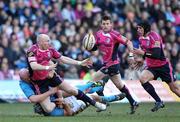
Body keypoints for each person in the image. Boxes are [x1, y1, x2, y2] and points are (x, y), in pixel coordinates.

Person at [26, 34, 106, 112]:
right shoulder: (32, 50)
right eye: (47, 41)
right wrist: (48, 68)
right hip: (40, 82)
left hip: (51, 77)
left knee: (75, 90)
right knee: (48, 109)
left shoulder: (50, 49)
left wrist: (79, 63)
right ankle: (58, 100)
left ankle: (96, 101)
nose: (49, 43)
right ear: (40, 42)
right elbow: (33, 66)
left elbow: (63, 59)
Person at [86, 15, 138, 114]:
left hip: (112, 64)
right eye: (104, 24)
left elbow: (129, 42)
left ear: (111, 24)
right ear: (101, 25)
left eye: (107, 24)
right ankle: (133, 102)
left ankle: (104, 103)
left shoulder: (115, 34)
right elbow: (95, 47)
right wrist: (90, 47)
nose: (105, 25)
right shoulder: (98, 34)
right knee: (120, 86)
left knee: (93, 81)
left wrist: (131, 55)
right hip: (106, 64)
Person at [19, 68, 126, 116]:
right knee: (92, 96)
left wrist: (59, 97)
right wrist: (63, 104)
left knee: (81, 89)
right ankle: (109, 95)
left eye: (29, 75)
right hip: (71, 106)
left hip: (58, 95)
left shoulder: (37, 75)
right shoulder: (51, 110)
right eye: (27, 77)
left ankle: (100, 84)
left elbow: (55, 86)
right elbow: (68, 113)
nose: (30, 78)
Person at [133, 21, 180, 112]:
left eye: (140, 28)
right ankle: (159, 101)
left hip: (163, 67)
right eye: (137, 28)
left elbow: (156, 55)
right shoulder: (141, 38)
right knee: (143, 79)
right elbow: (145, 51)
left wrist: (142, 53)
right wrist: (142, 60)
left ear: (146, 29)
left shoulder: (155, 37)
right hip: (152, 67)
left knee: (174, 89)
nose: (138, 30)